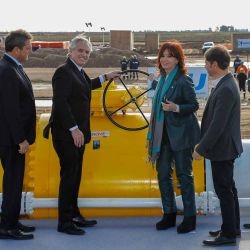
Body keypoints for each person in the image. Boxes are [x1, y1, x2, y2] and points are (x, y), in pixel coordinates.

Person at [43, 35, 120, 235]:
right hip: (66, 135)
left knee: (75, 176)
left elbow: (88, 86)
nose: (84, 55)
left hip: (77, 135)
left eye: (87, 52)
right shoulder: (63, 72)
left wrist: (106, 76)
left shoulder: (78, 72)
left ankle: (74, 214)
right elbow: (60, 103)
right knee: (69, 176)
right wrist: (73, 128)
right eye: (80, 51)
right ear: (70, 51)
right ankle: (65, 223)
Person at [147, 41, 200, 234]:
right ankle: (169, 214)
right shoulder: (161, 80)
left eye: (170, 55)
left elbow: (194, 105)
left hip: (181, 135)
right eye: (163, 55)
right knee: (163, 174)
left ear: (178, 59)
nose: (165, 59)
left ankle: (190, 218)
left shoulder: (183, 80)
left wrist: (175, 108)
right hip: (163, 136)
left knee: (184, 176)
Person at [193, 45, 243, 246]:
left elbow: (217, 125)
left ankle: (229, 234)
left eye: (206, 63)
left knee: (224, 191)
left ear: (214, 64)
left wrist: (200, 148)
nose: (205, 66)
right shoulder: (226, 83)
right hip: (225, 147)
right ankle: (232, 228)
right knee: (229, 189)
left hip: (222, 148)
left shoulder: (226, 88)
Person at [0, 29, 36, 240]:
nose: (29, 51)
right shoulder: (7, 71)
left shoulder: (13, 67)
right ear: (16, 50)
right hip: (11, 141)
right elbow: (10, 109)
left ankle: (11, 220)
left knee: (14, 182)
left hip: (12, 138)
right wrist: (20, 139)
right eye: (27, 48)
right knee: (13, 182)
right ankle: (7, 228)